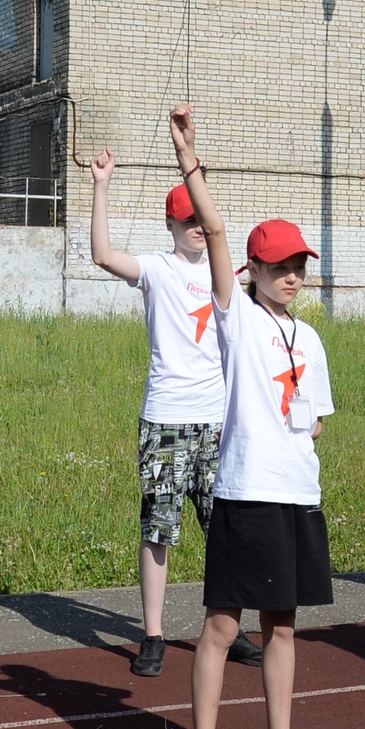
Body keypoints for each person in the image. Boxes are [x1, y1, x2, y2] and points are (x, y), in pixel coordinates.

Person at [169, 106, 333, 729]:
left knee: (284, 626)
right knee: (223, 625)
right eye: (281, 264)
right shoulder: (237, 318)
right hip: (245, 491)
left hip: (297, 494)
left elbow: (316, 421)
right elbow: (211, 230)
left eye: (300, 264)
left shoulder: (311, 339)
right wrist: (189, 160)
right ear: (254, 269)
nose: (293, 273)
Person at [86, 148, 266, 678]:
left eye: (199, 220)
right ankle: (154, 634)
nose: (194, 228)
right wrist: (102, 186)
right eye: (186, 221)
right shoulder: (158, 270)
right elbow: (102, 255)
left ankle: (228, 627)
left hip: (220, 422)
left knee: (226, 528)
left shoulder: (228, 272)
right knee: (159, 530)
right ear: (170, 223)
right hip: (166, 419)